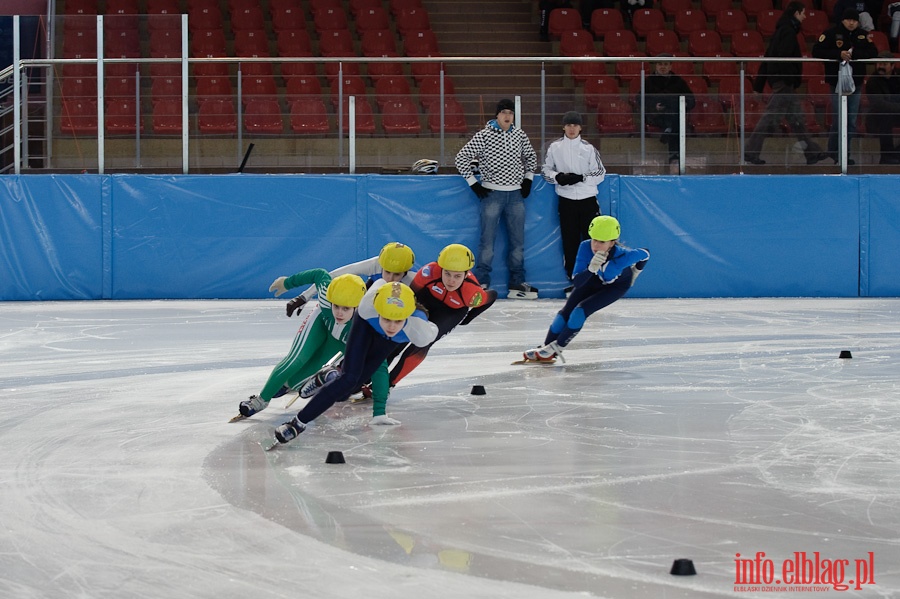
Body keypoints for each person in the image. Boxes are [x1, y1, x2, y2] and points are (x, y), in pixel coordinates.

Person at [271, 280, 439, 446]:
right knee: (348, 379)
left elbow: (382, 368)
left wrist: (379, 411)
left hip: (389, 340)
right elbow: (380, 281)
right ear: (378, 310)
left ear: (408, 316)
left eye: (398, 321)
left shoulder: (420, 331)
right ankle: (297, 424)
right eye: (387, 319)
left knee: (347, 392)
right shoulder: (368, 308)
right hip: (365, 326)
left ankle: (324, 378)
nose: (392, 326)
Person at [236, 272, 371, 419]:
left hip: (340, 341)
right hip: (322, 322)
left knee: (297, 382)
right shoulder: (327, 298)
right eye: (336, 306)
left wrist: (379, 411)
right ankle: (260, 401)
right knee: (297, 360)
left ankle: (287, 384)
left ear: (357, 307)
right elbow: (319, 274)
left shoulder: (363, 326)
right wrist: (287, 283)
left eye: (346, 308)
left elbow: (379, 363)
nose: (339, 313)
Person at [521, 216, 649, 363]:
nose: (595, 245)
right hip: (592, 279)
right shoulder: (585, 246)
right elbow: (578, 282)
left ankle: (556, 348)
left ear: (612, 242)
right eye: (594, 239)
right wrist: (591, 269)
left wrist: (636, 272)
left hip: (615, 287)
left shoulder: (623, 256)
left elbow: (645, 254)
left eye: (602, 241)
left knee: (579, 312)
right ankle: (545, 347)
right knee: (564, 313)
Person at [455, 98, 540, 300]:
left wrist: (528, 179)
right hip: (492, 194)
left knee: (517, 242)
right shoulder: (484, 136)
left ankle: (516, 282)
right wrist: (473, 183)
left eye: (510, 112)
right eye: (504, 112)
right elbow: (461, 157)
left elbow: (531, 157)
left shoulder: (519, 135)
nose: (507, 116)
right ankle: (481, 280)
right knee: (488, 242)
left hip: (516, 195)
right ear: (497, 115)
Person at [387, 244, 498, 386]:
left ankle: (390, 383)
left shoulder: (472, 293)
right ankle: (371, 375)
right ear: (441, 269)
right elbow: (411, 295)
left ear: (466, 274)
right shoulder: (429, 272)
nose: (451, 280)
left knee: (423, 342)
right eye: (447, 274)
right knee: (400, 335)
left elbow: (492, 295)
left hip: (450, 313)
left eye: (457, 276)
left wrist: (468, 319)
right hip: (425, 301)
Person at [745, 2, 828, 166]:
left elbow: (768, 59)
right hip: (784, 83)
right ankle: (749, 152)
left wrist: (758, 85)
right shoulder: (788, 32)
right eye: (803, 13)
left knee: (797, 119)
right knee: (770, 118)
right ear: (796, 13)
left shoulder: (780, 31)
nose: (805, 16)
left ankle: (812, 153)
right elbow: (783, 59)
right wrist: (790, 79)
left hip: (782, 82)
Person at [541, 111, 606, 291]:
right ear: (563, 127)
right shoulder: (554, 147)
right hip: (566, 200)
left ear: (580, 128)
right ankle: (575, 280)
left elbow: (600, 173)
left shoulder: (589, 148)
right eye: (568, 125)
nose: (571, 128)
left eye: (575, 125)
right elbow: (545, 170)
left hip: (588, 200)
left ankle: (594, 278)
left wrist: (582, 178)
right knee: (570, 242)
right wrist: (558, 177)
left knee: (593, 240)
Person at [813, 8, 878, 165]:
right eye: (849, 19)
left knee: (852, 121)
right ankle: (833, 153)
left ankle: (845, 155)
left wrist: (855, 55)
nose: (851, 23)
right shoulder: (830, 33)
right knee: (838, 120)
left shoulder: (862, 35)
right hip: (837, 83)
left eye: (854, 20)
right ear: (842, 20)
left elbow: (873, 51)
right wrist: (838, 54)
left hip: (855, 83)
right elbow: (817, 50)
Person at [282, 241, 417, 317]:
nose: (390, 279)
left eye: (397, 274)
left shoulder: (413, 280)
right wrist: (304, 297)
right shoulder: (374, 264)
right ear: (381, 265)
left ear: (406, 272)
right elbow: (332, 276)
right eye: (387, 272)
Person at [643, 54, 695, 163]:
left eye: (666, 64)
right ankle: (674, 155)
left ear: (670, 66)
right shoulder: (648, 81)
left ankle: (669, 130)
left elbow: (691, 98)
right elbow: (640, 99)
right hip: (657, 116)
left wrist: (684, 104)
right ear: (656, 66)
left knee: (675, 114)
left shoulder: (678, 81)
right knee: (676, 121)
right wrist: (654, 106)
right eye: (660, 64)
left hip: (674, 113)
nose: (663, 67)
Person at [865, 51, 900, 164]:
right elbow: (879, 104)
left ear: (892, 66)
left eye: (884, 64)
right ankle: (887, 157)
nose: (880, 67)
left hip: (896, 113)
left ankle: (896, 153)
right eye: (879, 64)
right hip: (876, 117)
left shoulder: (898, 77)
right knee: (885, 118)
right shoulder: (873, 81)